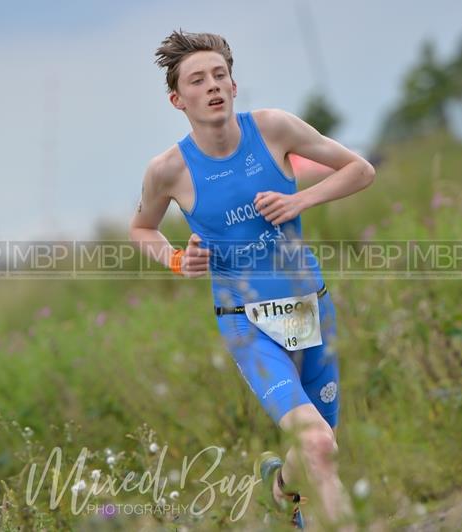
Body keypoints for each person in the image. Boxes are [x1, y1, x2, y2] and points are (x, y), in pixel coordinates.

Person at [128, 30, 375, 529]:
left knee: (321, 446)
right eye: (198, 80)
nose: (213, 86)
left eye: (220, 75)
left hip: (312, 308)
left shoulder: (274, 129)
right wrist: (178, 261)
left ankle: (282, 488)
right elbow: (141, 229)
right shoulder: (169, 170)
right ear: (177, 99)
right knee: (316, 443)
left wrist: (300, 199)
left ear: (234, 86)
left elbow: (361, 170)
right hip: (247, 323)